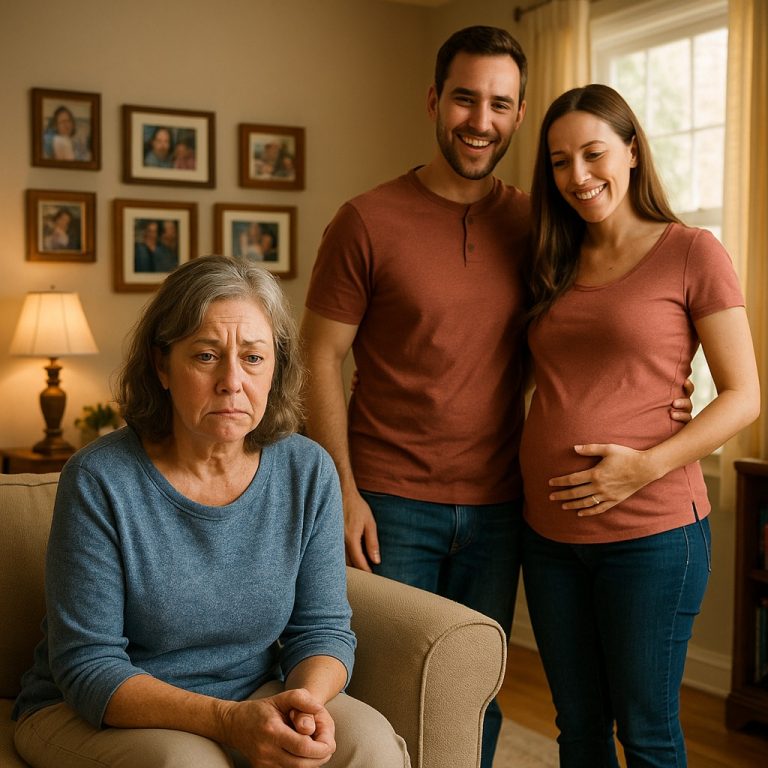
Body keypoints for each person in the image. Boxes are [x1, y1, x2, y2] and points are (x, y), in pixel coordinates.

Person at [301, 26, 695, 768]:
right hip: (388, 506)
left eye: (500, 104)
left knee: (472, 697)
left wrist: (662, 391)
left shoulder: (540, 225)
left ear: (518, 115)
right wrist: (341, 492)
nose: (480, 120)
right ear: (434, 101)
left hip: (503, 508)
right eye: (465, 99)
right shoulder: (366, 220)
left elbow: (602, 322)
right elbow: (318, 356)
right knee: (381, 699)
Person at [12, 255, 410, 768]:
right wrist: (228, 721)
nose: (232, 381)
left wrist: (303, 705)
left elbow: (322, 629)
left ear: (276, 368)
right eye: (205, 356)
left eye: (253, 357)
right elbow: (88, 666)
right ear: (162, 365)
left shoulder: (307, 469)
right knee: (189, 764)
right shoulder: (99, 478)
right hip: (95, 709)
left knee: (370, 744)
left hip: (255, 694)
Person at [519, 84, 760, 767]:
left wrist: (644, 467)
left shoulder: (692, 251)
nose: (578, 175)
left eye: (593, 153)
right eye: (560, 162)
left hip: (651, 537)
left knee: (647, 733)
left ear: (631, 150)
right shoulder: (552, 259)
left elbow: (744, 396)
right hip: (549, 537)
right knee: (579, 728)